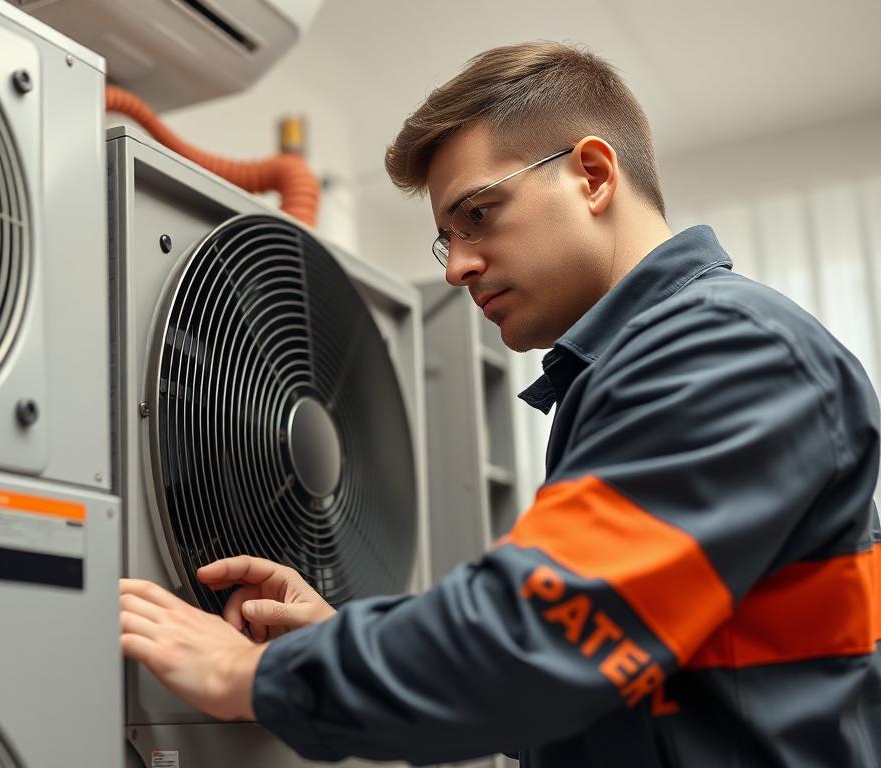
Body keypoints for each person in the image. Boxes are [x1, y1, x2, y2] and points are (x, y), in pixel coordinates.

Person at [119, 41, 881, 766]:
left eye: (478, 216)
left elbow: (541, 638)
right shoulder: (632, 366)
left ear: (592, 174)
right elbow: (610, 676)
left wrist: (243, 677)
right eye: (444, 239)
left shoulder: (723, 350)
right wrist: (337, 636)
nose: (458, 268)